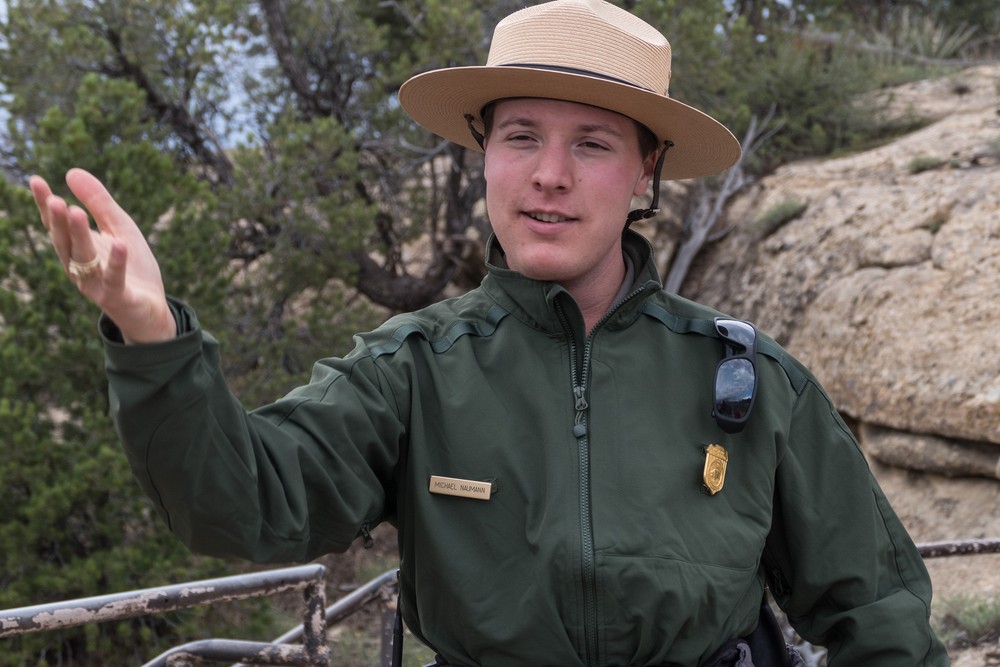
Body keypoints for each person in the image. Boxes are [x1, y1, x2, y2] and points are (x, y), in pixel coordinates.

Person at [30, 0, 948, 665]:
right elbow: (242, 502)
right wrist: (151, 336)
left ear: (645, 172)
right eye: (520, 137)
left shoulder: (754, 383)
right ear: (483, 156)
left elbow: (878, 612)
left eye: (592, 143)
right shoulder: (412, 370)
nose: (549, 175)